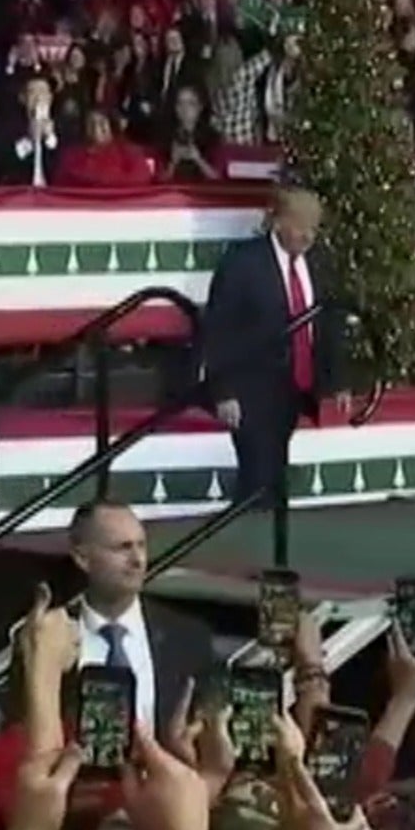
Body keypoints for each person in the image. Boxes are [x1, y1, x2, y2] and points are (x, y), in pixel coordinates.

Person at [202, 187, 349, 507]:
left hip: (295, 389)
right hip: (251, 390)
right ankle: (254, 526)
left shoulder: (319, 262)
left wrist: (337, 381)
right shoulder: (243, 262)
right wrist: (223, 390)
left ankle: (269, 525)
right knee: (259, 475)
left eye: (314, 228)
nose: (308, 236)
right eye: (300, 227)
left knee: (274, 472)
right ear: (278, 222)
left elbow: (329, 323)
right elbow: (219, 329)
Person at [66, 499, 215, 732]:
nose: (138, 560)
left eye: (141, 546)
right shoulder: (49, 638)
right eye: (123, 548)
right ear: (82, 557)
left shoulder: (189, 638)